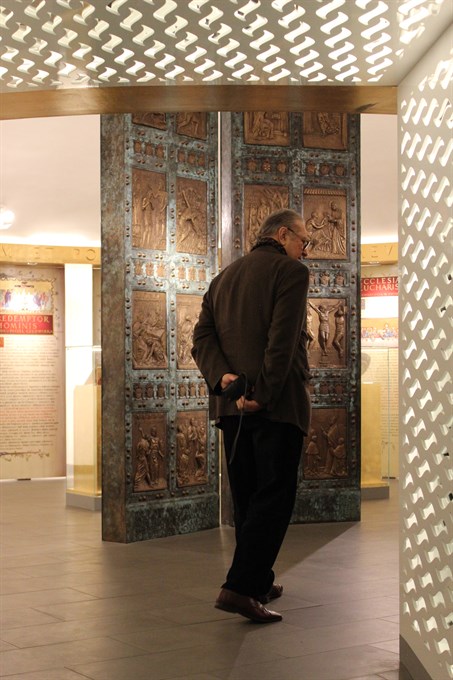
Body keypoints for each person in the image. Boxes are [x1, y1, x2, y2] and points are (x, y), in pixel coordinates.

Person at [191, 208, 311, 624]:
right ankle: (240, 588)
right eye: (304, 241)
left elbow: (201, 337)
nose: (305, 250)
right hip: (276, 405)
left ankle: (257, 578)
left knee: (247, 496)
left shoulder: (223, 278)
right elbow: (282, 340)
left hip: (232, 406)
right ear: (283, 234)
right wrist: (262, 393)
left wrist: (222, 377)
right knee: (273, 497)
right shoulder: (290, 273)